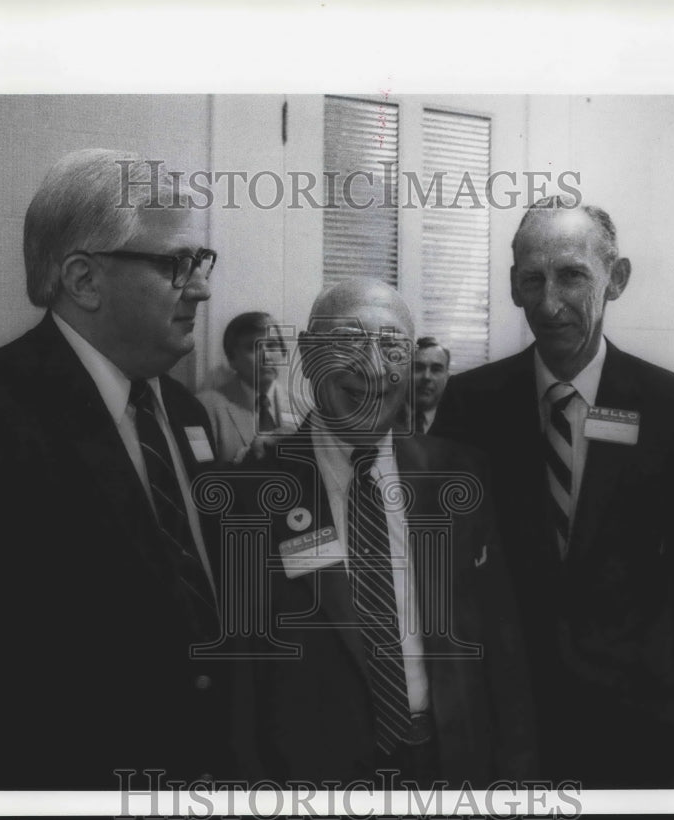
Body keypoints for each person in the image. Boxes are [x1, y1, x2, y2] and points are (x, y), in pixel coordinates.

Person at [0, 149, 231, 789]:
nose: (200, 287)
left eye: (200, 262)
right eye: (175, 264)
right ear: (84, 280)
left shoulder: (187, 413)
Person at [431, 197, 674, 788]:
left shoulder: (669, 405)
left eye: (571, 276)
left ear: (616, 279)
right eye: (531, 280)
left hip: (638, 706)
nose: (549, 304)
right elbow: (436, 545)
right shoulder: (471, 403)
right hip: (511, 707)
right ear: (512, 286)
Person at [226, 279, 536, 788]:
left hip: (452, 767)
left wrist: (517, 777)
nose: (372, 366)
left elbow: (503, 647)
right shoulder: (251, 495)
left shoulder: (457, 476)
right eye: (348, 341)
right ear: (308, 353)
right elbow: (241, 683)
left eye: (392, 346)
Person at [198, 311, 299, 463]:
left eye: (272, 345)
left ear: (283, 353)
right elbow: (201, 473)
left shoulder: (304, 407)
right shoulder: (206, 407)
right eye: (252, 348)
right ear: (231, 359)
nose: (266, 357)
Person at [412, 336, 450, 435]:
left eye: (436, 369)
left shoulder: (459, 424)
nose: (426, 377)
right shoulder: (386, 418)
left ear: (447, 377)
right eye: (418, 368)